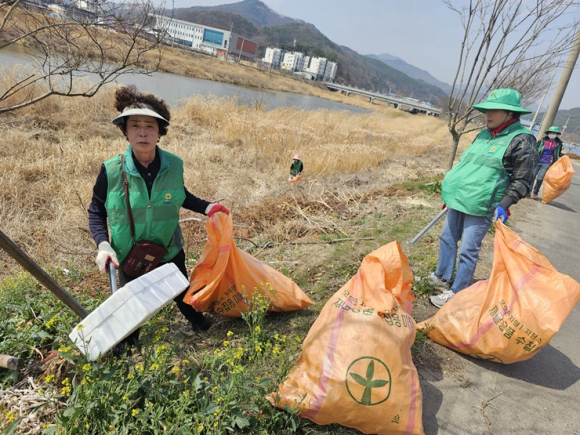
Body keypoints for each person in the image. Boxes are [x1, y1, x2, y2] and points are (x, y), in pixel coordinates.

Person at [88, 86, 230, 353]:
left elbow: (180, 195)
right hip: (129, 254)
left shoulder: (174, 165)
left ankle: (200, 324)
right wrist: (103, 244)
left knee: (181, 290)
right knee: (131, 306)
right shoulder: (111, 170)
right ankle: (128, 350)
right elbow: (96, 211)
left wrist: (208, 207)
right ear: (126, 131)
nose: (142, 132)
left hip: (168, 248)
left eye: (149, 126)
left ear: (160, 132)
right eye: (135, 126)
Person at [428, 88, 539, 308]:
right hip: (459, 198)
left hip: (482, 205)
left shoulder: (522, 140)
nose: (488, 114)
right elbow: (468, 166)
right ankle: (442, 276)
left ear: (510, 113)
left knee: (468, 250)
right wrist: (451, 193)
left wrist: (504, 204)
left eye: (494, 110)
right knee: (447, 238)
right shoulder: (484, 134)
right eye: (487, 109)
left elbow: (524, 179)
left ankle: (458, 292)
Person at [530, 125, 563, 199]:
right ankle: (528, 192)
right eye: (551, 132)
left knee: (540, 178)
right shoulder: (542, 141)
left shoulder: (558, 143)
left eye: (554, 133)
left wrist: (564, 157)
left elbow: (558, 153)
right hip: (537, 160)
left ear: (557, 134)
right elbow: (535, 149)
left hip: (547, 162)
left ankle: (535, 192)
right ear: (548, 133)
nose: (552, 134)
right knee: (532, 176)